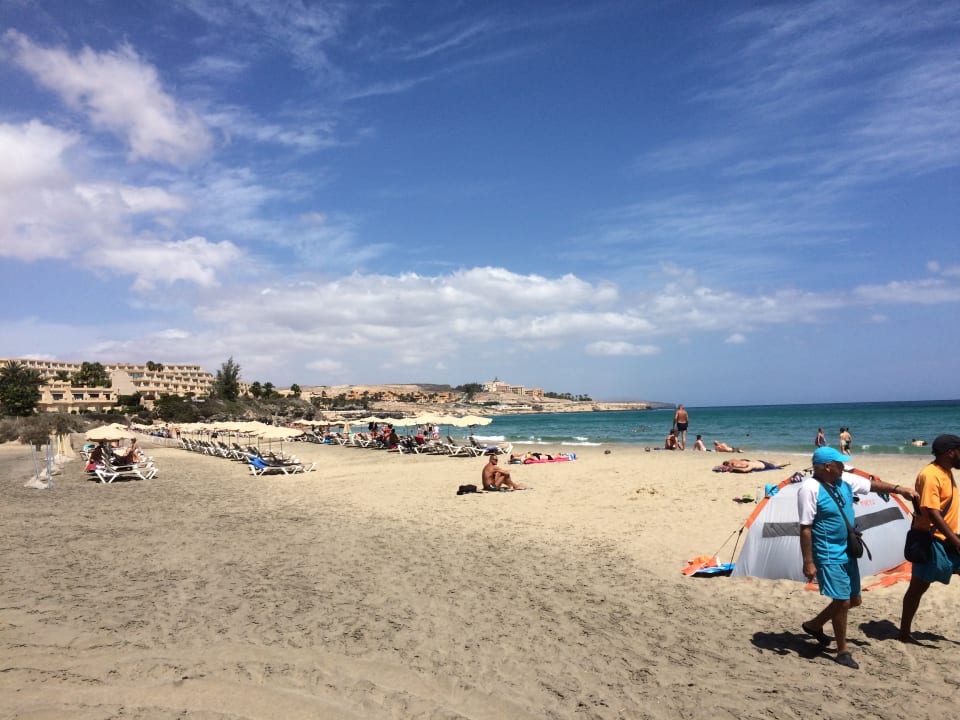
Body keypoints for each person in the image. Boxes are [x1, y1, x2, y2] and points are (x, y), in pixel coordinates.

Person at [798, 446, 917, 669]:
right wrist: (808, 562)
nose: (843, 466)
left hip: (848, 549)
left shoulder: (845, 480)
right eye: (839, 463)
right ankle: (842, 651)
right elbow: (805, 528)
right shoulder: (809, 488)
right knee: (842, 601)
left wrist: (899, 490)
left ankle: (814, 625)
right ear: (828, 467)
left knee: (854, 600)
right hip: (828, 552)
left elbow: (872, 485)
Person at [899, 434, 960, 643]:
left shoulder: (945, 472)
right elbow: (932, 512)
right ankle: (904, 633)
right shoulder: (930, 475)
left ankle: (904, 632)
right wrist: (956, 541)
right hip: (931, 540)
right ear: (950, 453)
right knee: (918, 587)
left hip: (947, 539)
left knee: (919, 587)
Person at [721, 459, 789, 473]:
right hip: (759, 461)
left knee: (776, 465)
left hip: (765, 465)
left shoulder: (750, 465)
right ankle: (786, 463)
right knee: (773, 462)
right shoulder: (738, 461)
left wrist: (734, 468)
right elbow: (730, 462)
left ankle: (787, 464)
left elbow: (745, 470)